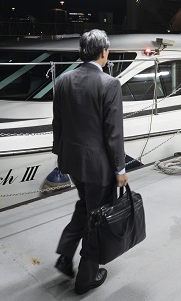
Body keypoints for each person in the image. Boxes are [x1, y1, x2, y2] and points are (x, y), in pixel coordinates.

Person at [52, 29, 127, 295]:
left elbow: (57, 123)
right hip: (99, 167)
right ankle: (86, 277)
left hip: (73, 162)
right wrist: (120, 169)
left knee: (85, 206)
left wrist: (59, 156)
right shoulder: (110, 84)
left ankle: (65, 253)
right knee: (97, 218)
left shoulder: (63, 80)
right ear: (104, 52)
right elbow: (113, 132)